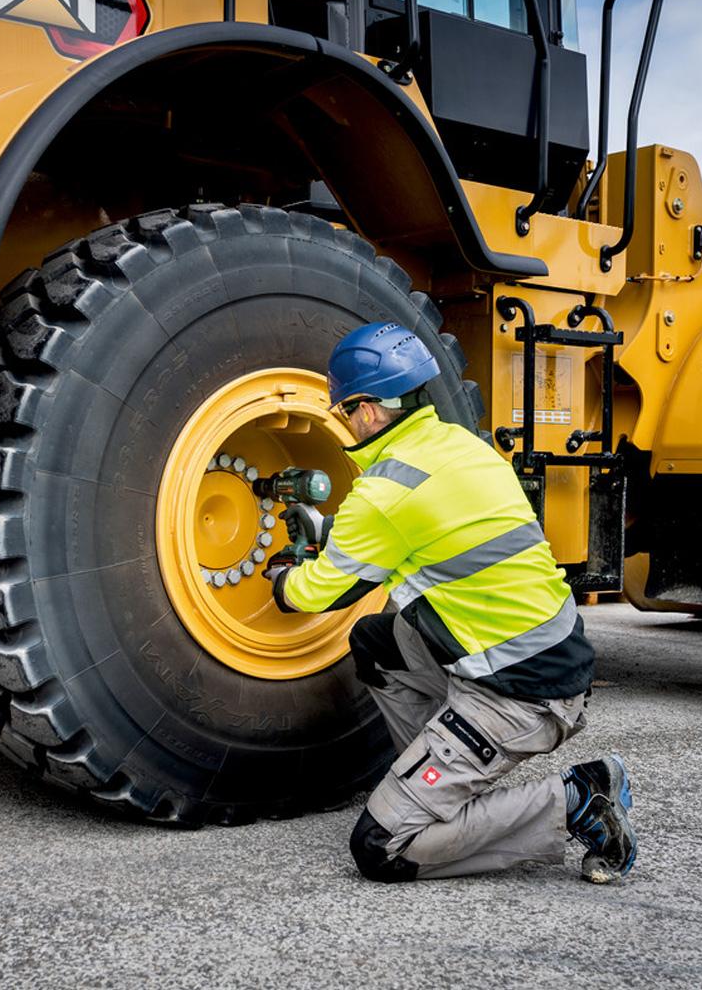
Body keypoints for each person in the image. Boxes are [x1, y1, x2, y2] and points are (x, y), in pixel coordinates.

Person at [263, 322, 637, 884]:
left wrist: (282, 576)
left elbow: (318, 593)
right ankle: (432, 781)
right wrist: (340, 535)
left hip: (522, 694)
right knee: (375, 642)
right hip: (549, 657)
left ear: (366, 411)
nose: (343, 421)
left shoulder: (383, 493)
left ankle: (574, 799)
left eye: (343, 410)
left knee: (382, 847)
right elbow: (422, 531)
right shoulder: (464, 447)